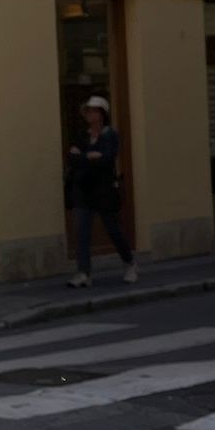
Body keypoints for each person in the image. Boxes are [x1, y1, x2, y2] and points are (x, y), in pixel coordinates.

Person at [66, 94, 137, 288]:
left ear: (101, 114)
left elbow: (106, 159)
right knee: (82, 232)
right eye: (87, 111)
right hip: (83, 189)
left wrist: (85, 157)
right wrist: (89, 157)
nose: (88, 114)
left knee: (113, 229)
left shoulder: (110, 135)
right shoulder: (82, 135)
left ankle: (129, 263)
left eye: (92, 111)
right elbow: (72, 158)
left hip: (103, 190)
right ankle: (83, 273)